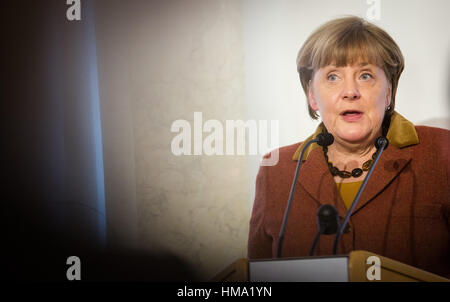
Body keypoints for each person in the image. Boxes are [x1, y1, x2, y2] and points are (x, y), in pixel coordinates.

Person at [247, 16, 450, 278]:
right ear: (312, 96)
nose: (350, 91)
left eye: (365, 75)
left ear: (388, 92)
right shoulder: (276, 170)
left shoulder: (441, 153)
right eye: (333, 77)